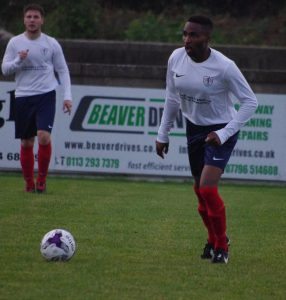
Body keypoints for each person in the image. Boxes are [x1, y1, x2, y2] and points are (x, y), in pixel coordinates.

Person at [156, 16, 258, 264]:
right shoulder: (176, 58)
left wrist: (223, 134)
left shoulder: (224, 66)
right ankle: (212, 239)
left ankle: (222, 246)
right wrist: (163, 133)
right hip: (194, 129)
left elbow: (250, 102)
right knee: (199, 192)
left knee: (208, 189)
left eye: (194, 35)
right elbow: (172, 98)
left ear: (207, 38)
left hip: (221, 130)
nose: (187, 40)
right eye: (185, 34)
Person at [1, 3, 72, 193]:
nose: (32, 20)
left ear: (42, 20)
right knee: (26, 142)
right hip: (23, 96)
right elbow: (5, 69)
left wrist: (67, 96)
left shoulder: (51, 43)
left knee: (43, 137)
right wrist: (18, 60)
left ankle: (41, 180)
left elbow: (62, 70)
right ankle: (28, 182)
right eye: (29, 17)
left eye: (36, 17)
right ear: (24, 20)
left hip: (46, 95)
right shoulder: (15, 43)